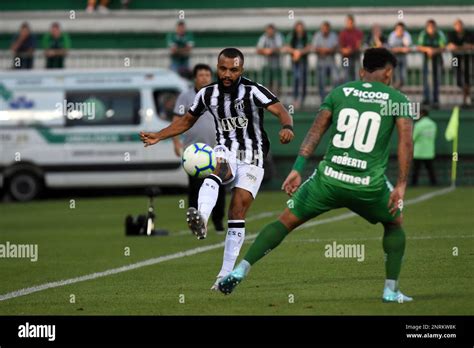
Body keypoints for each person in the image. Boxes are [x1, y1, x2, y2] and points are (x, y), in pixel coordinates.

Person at [218, 48, 415, 304]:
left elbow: (315, 131)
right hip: (368, 184)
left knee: (285, 221)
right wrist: (400, 184)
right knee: (394, 225)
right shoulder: (397, 99)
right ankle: (390, 290)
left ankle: (241, 268)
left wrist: (298, 168)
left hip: (328, 179)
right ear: (388, 71)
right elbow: (406, 144)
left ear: (361, 70)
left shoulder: (340, 93)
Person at [139, 48, 294, 290]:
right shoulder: (206, 94)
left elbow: (280, 109)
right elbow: (186, 120)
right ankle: (201, 217)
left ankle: (224, 275)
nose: (228, 74)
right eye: (223, 69)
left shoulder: (253, 90)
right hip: (225, 150)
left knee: (237, 211)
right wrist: (159, 135)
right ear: (217, 68)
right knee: (218, 173)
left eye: (233, 70)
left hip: (253, 154)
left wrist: (287, 126)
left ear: (241, 70)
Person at [172, 64, 226, 232]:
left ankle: (218, 222)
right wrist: (175, 141)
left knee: (219, 187)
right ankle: (196, 223)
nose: (204, 77)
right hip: (194, 152)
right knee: (195, 189)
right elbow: (177, 119)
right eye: (201, 74)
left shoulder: (219, 95)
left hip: (217, 149)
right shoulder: (185, 96)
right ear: (195, 77)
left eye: (207, 74)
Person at [417, 19, 447, 108]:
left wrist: (434, 51)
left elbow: (443, 47)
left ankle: (435, 99)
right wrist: (428, 50)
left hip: (437, 59)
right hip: (427, 60)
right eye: (429, 27)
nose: (431, 29)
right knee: (426, 79)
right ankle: (426, 98)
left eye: (432, 27)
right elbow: (419, 47)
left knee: (436, 79)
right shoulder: (423, 34)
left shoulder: (439, 34)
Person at [447, 19, 474, 107]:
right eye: (457, 25)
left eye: (460, 25)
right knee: (457, 76)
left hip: (467, 59)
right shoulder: (452, 34)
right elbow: (451, 47)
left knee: (467, 78)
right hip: (455, 58)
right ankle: (468, 93)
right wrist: (463, 47)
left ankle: (466, 98)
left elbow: (471, 46)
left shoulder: (469, 34)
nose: (459, 27)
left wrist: (459, 48)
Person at [284, 21, 311, 109]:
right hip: (295, 62)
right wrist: (295, 52)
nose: (299, 29)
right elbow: (287, 47)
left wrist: (299, 52)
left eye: (301, 27)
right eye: (298, 27)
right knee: (296, 79)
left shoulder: (306, 35)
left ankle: (302, 99)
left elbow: (309, 47)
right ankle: (295, 99)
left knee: (303, 80)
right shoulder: (292, 35)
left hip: (303, 61)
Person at [312, 21, 338, 101]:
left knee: (336, 79)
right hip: (321, 62)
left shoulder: (333, 35)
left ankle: (334, 99)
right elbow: (315, 47)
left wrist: (325, 50)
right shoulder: (317, 35)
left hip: (331, 62)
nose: (325, 30)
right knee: (321, 82)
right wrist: (325, 50)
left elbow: (334, 47)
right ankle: (323, 100)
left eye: (326, 29)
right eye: (323, 29)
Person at [411, 109, 437, 186]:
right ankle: (434, 183)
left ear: (422, 114)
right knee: (430, 169)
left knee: (416, 170)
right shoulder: (433, 124)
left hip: (419, 151)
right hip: (429, 151)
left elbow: (413, 138)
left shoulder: (418, 124)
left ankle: (414, 184)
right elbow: (434, 136)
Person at [257, 24, 284, 96]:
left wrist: (270, 50)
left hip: (277, 64)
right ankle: (268, 97)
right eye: (268, 30)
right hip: (266, 64)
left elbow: (280, 48)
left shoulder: (278, 36)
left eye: (271, 30)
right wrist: (265, 51)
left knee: (278, 81)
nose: (270, 32)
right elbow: (258, 50)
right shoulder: (263, 37)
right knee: (267, 81)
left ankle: (278, 98)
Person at [388, 22, 412, 89]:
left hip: (403, 58)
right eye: (398, 29)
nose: (400, 31)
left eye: (401, 29)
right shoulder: (392, 35)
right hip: (394, 58)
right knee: (396, 77)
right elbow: (391, 48)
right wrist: (402, 49)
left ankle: (398, 91)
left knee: (403, 77)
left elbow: (408, 48)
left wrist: (398, 49)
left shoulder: (406, 35)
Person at [339, 15, 363, 83]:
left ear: (353, 23)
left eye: (350, 22)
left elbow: (358, 45)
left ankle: (356, 90)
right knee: (346, 73)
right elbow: (340, 46)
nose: (348, 24)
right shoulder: (343, 33)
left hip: (355, 56)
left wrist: (350, 49)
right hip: (345, 57)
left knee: (356, 73)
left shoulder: (358, 32)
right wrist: (344, 50)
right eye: (347, 22)